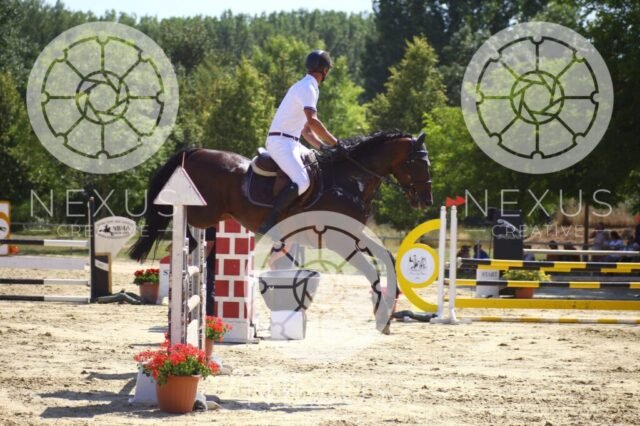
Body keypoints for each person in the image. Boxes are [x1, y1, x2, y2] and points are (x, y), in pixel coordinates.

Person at [258, 50, 340, 234]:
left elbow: (306, 131)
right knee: (302, 181)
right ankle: (270, 221)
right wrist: (335, 143)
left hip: (291, 142)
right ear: (324, 70)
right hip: (280, 142)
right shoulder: (308, 87)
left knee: (316, 166)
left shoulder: (308, 86)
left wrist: (323, 147)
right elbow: (313, 121)